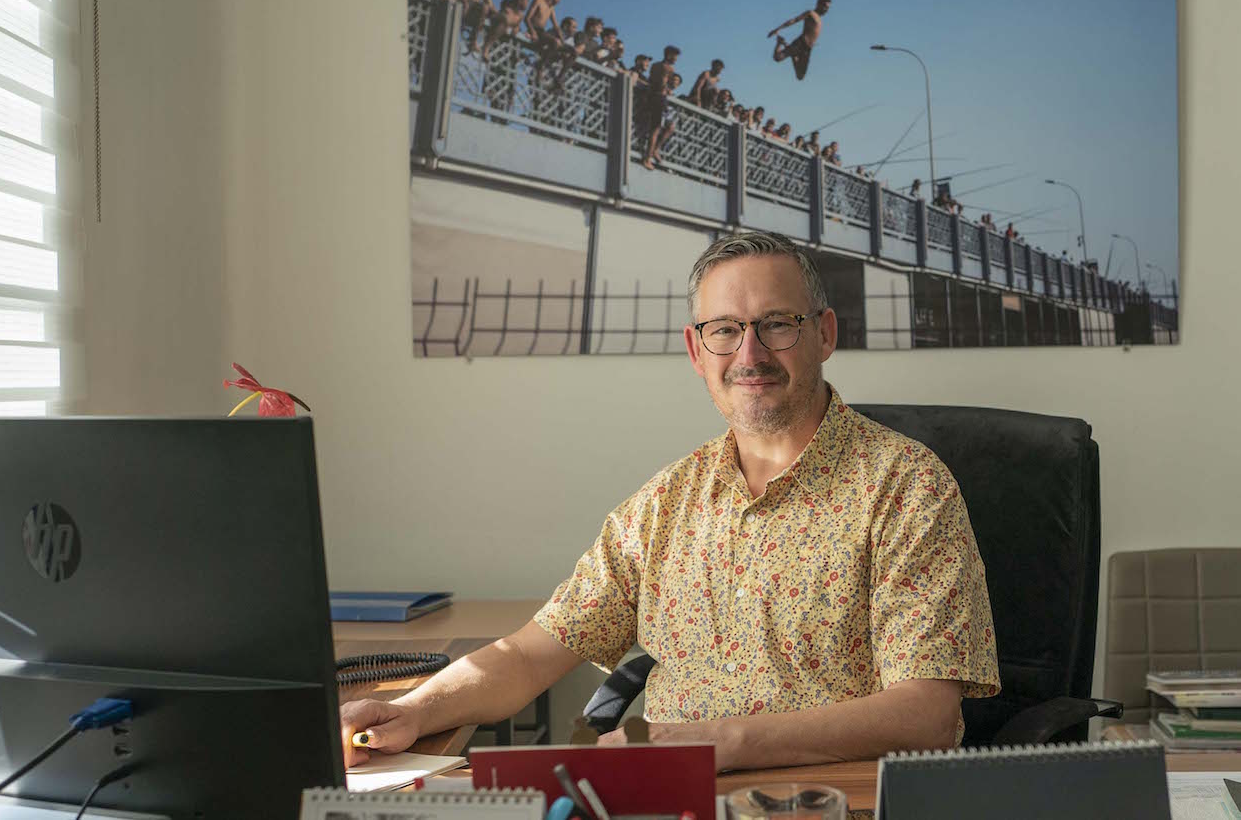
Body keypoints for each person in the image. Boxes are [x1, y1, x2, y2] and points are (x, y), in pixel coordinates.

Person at [337, 232, 1000, 772]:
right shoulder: (663, 505)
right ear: (695, 349)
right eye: (725, 330)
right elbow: (528, 656)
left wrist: (723, 743)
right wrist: (416, 709)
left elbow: (928, 717)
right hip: (670, 802)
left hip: (827, 804)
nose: (750, 353)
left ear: (824, 334)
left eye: (776, 325)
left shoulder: (907, 487)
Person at [767, 0, 831, 81]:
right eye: (825, 7)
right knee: (777, 58)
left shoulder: (820, 19)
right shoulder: (811, 13)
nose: (827, 10)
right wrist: (778, 28)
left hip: (808, 49)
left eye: (828, 8)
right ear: (819, 4)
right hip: (800, 43)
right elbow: (794, 20)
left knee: (800, 76)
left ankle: (793, 54)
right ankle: (779, 43)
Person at [642, 45, 681, 168]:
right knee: (656, 129)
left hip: (652, 97)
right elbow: (663, 83)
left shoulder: (655, 65)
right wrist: (666, 89)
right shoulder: (669, 68)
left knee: (670, 126)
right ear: (669, 55)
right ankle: (647, 158)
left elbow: (651, 81)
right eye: (675, 56)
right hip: (660, 98)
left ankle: (655, 150)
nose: (676, 59)